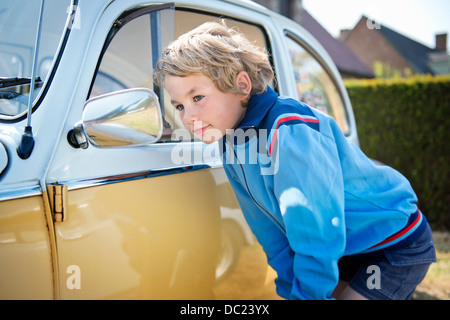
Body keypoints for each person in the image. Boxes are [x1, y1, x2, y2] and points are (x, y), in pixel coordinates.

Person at [155, 21, 436, 300]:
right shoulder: (230, 144)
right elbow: (269, 232)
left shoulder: (289, 131)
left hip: (391, 242)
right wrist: (291, 291)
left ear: (241, 85)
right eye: (179, 105)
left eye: (198, 97)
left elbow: (318, 231)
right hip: (345, 248)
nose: (187, 116)